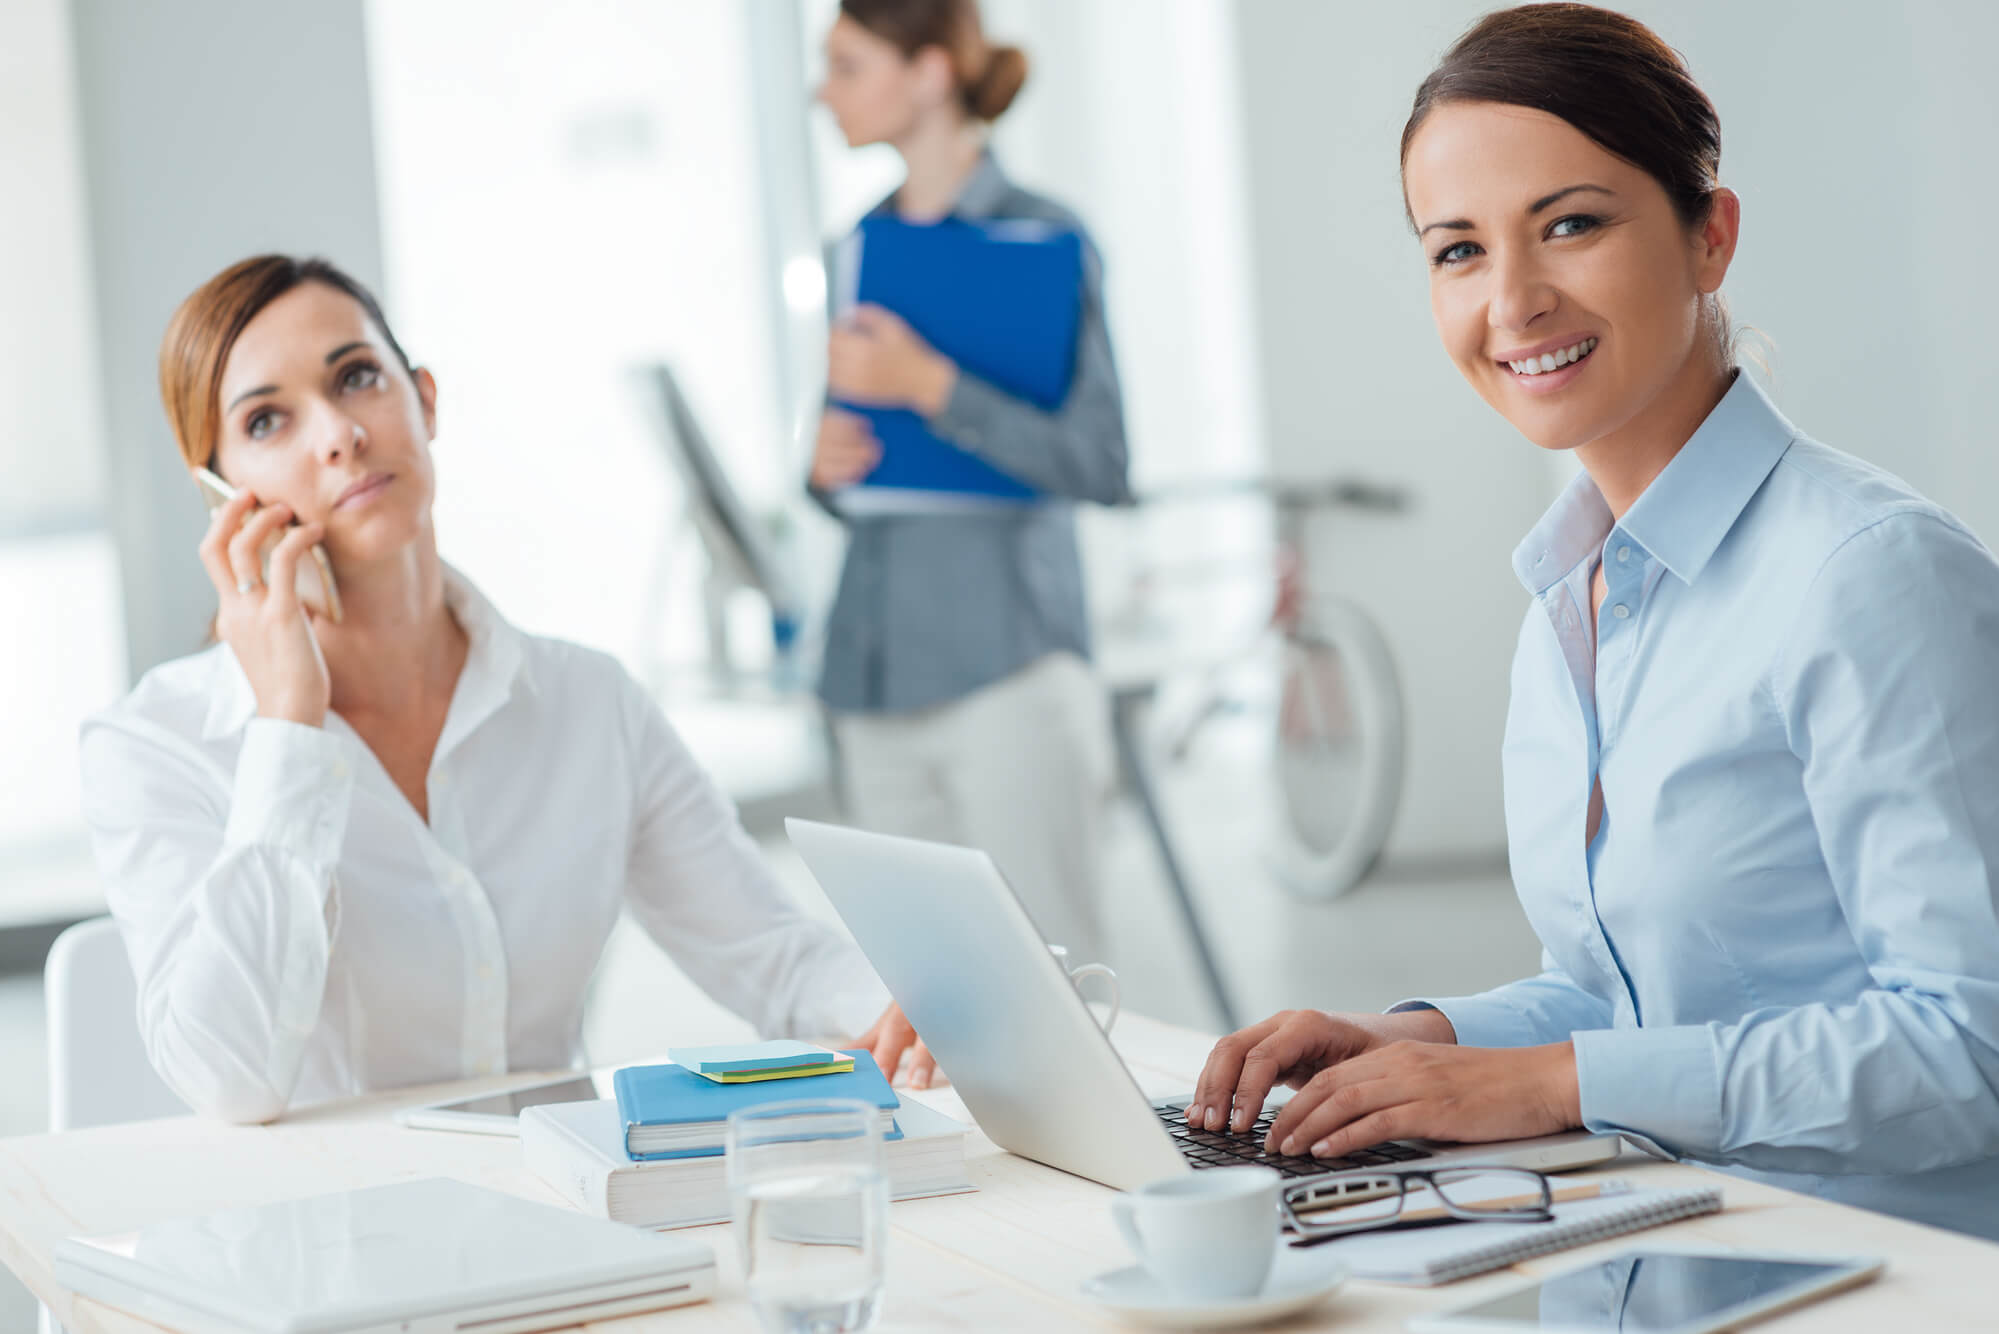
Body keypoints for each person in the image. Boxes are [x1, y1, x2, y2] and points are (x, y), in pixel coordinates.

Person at [1190, 3, 1999, 1240]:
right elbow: (1628, 994)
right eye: (1456, 249)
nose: (1511, 300)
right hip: (1665, 1230)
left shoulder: (1867, 573)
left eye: (1570, 223)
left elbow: (1969, 1046)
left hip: (1890, 1264)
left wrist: (1543, 1083)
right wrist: (1420, 1039)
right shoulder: (1574, 595)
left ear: (1708, 235)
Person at [79, 255, 929, 1123]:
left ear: (425, 400)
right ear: (222, 493)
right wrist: (288, 727)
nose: (336, 433)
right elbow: (232, 1082)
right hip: (319, 1235)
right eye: (267, 421)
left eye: (358, 377)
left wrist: (901, 1013)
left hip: (568, 1215)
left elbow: (773, 955)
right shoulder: (153, 744)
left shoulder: (587, 703)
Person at [810, 0, 1131, 971]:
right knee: (928, 991)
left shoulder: (1044, 238)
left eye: (847, 64)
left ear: (929, 74)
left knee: (1053, 977)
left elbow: (1098, 462)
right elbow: (847, 474)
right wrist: (821, 461)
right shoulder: (856, 245)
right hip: (872, 675)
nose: (823, 92)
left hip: (1008, 667)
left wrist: (932, 387)